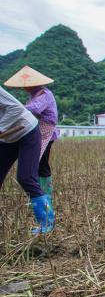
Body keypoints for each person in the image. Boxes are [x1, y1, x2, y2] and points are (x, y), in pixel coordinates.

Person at [0, 85, 54, 234]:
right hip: (7, 139)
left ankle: (47, 224)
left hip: (26, 131)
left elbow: (15, 108)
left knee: (26, 178)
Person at [5, 65, 59, 205]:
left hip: (45, 130)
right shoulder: (34, 94)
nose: (24, 87)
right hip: (35, 129)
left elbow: (34, 108)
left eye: (27, 85)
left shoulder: (44, 94)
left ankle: (44, 197)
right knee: (38, 164)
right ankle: (41, 196)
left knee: (39, 164)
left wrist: (17, 109)